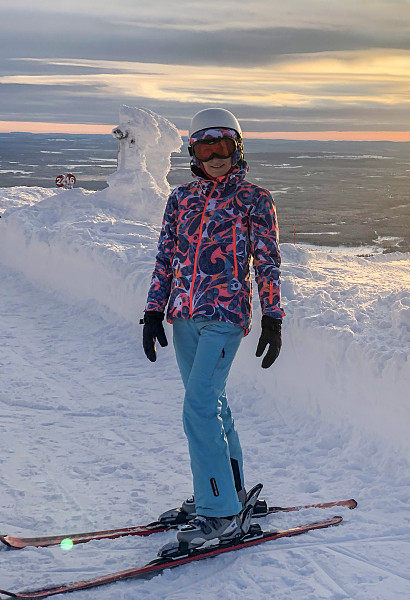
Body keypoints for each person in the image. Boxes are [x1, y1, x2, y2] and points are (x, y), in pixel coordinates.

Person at [141, 107, 284, 549]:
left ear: (237, 149)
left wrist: (273, 317)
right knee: (213, 404)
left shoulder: (254, 199)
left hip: (225, 315)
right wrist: (153, 311)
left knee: (198, 406)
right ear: (194, 154)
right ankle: (230, 488)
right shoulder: (180, 199)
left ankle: (219, 511)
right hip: (184, 314)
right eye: (206, 148)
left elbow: (267, 261)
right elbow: (166, 256)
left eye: (222, 147)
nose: (215, 156)